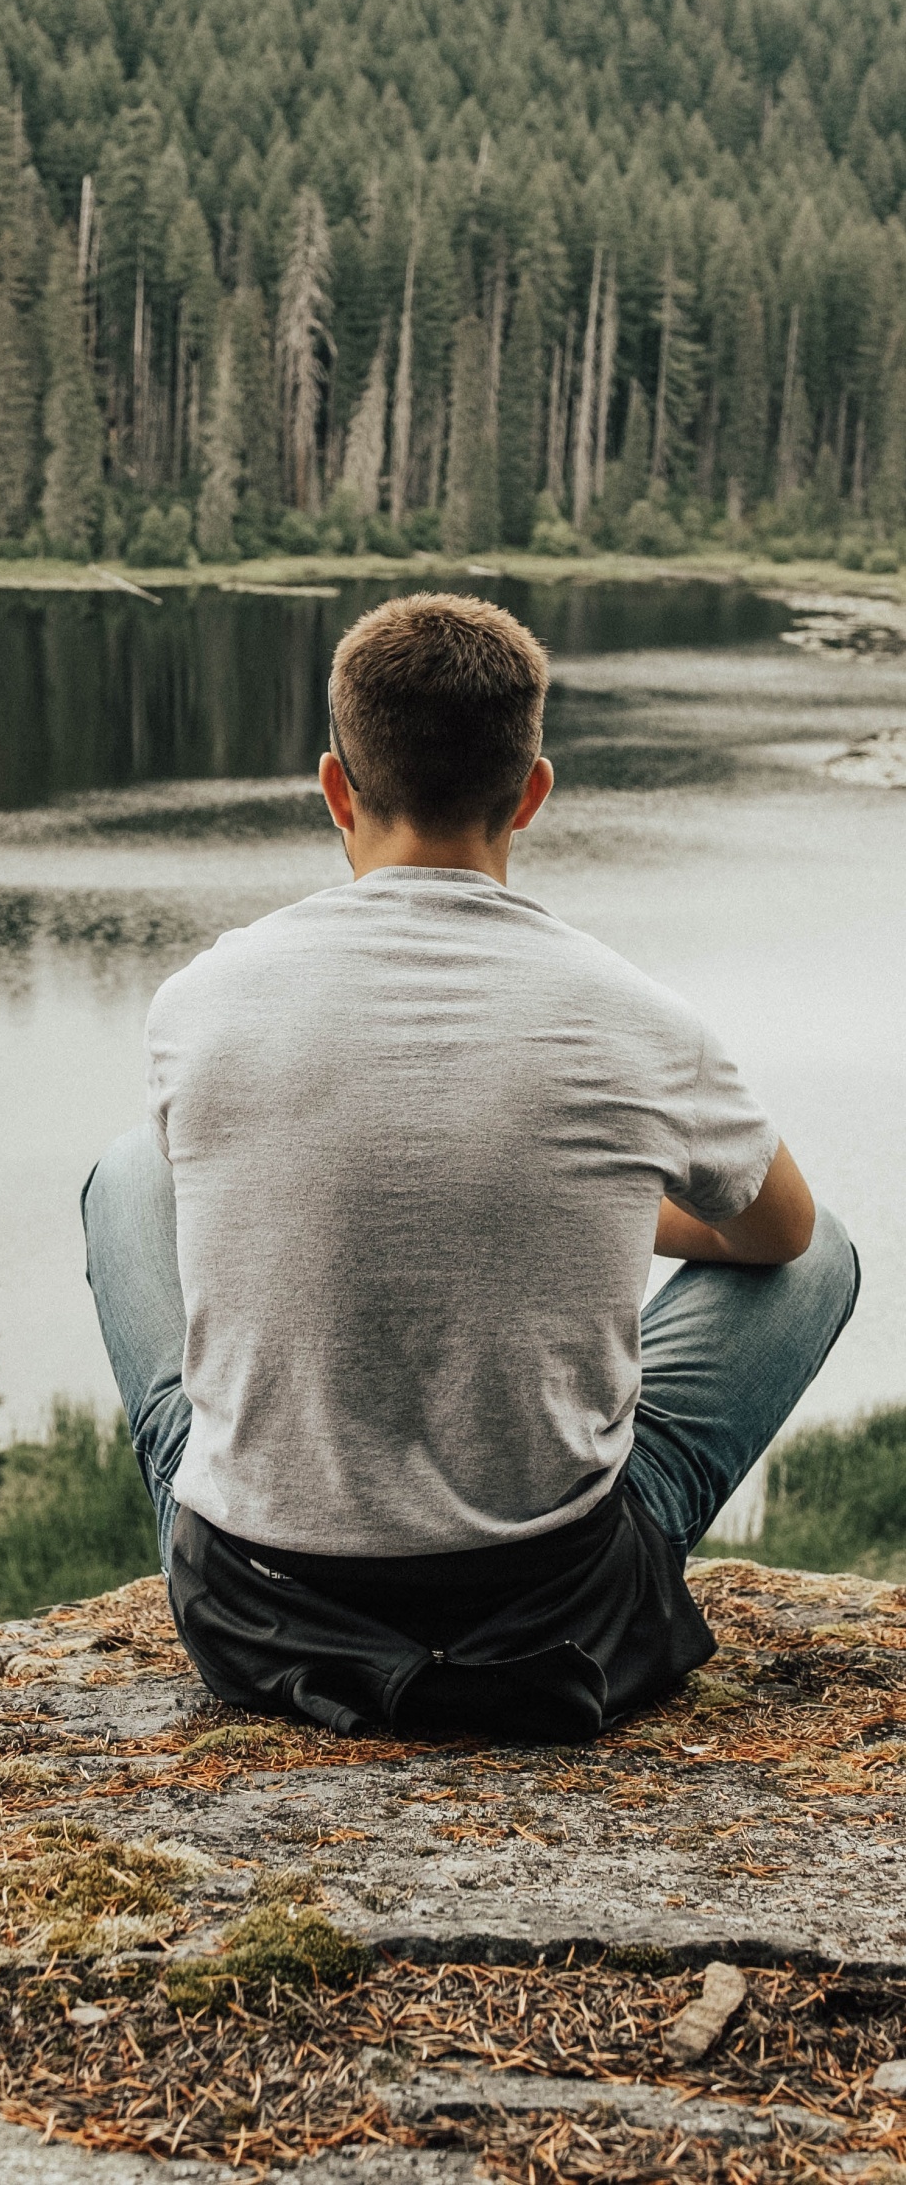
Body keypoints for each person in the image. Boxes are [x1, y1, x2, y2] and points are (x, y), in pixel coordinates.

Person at [83, 594, 858, 1741]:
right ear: (533, 793)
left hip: (257, 1611)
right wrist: (591, 1203)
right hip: (557, 1614)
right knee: (827, 1252)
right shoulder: (637, 1018)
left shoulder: (203, 1000)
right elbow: (782, 1239)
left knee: (126, 1175)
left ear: (337, 789)